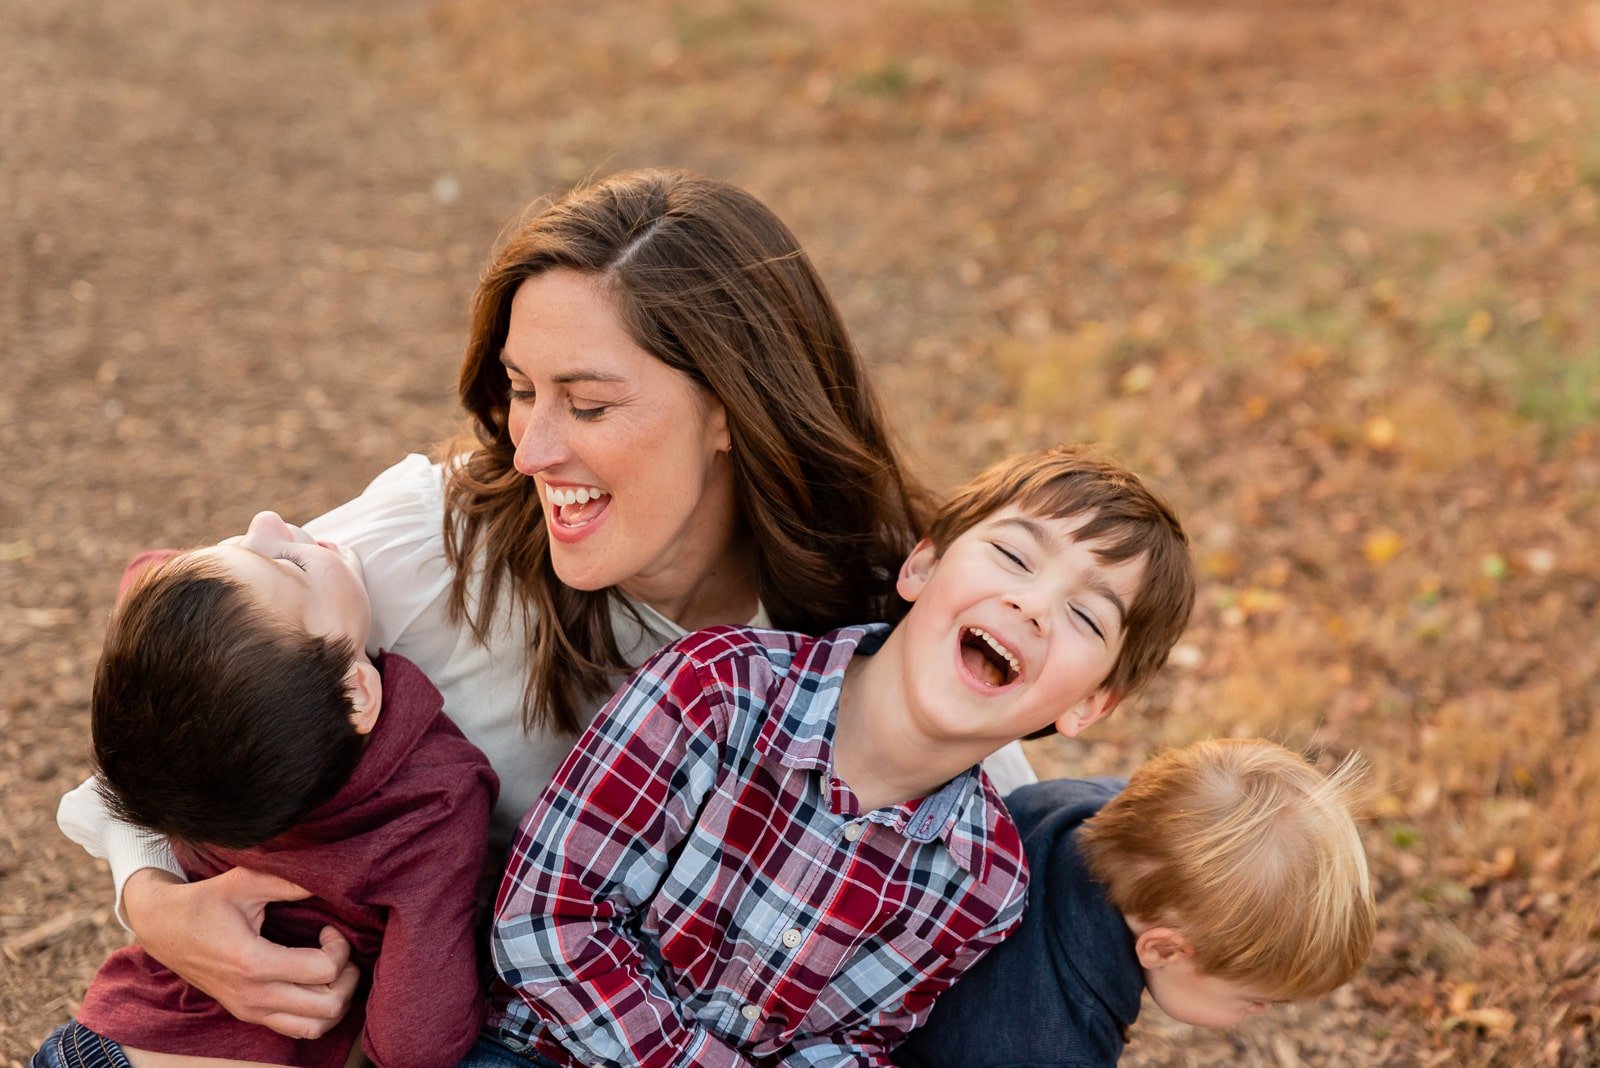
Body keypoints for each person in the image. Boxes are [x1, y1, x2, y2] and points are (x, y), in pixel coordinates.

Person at [56, 168, 1038, 1040]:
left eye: (589, 403)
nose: (529, 451)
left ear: (732, 409)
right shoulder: (433, 540)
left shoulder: (884, 627)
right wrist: (153, 901)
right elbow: (168, 726)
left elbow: (1008, 885)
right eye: (522, 390)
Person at [470, 444, 1197, 1067]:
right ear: (922, 566)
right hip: (540, 1048)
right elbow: (546, 921)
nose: (1033, 607)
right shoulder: (716, 688)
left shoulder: (985, 882)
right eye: (1013, 556)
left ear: (1088, 705)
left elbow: (850, 1040)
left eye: (1083, 616)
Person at [36, 513, 497, 1068]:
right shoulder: (434, 802)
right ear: (355, 694)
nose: (266, 520)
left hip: (109, 1045)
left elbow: (147, 577)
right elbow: (413, 1043)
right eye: (290, 563)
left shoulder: (197, 760)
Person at [893, 739, 1377, 1068]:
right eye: (1254, 1000)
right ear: (1163, 950)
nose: (1260, 1010)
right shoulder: (1052, 1046)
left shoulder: (1098, 807)